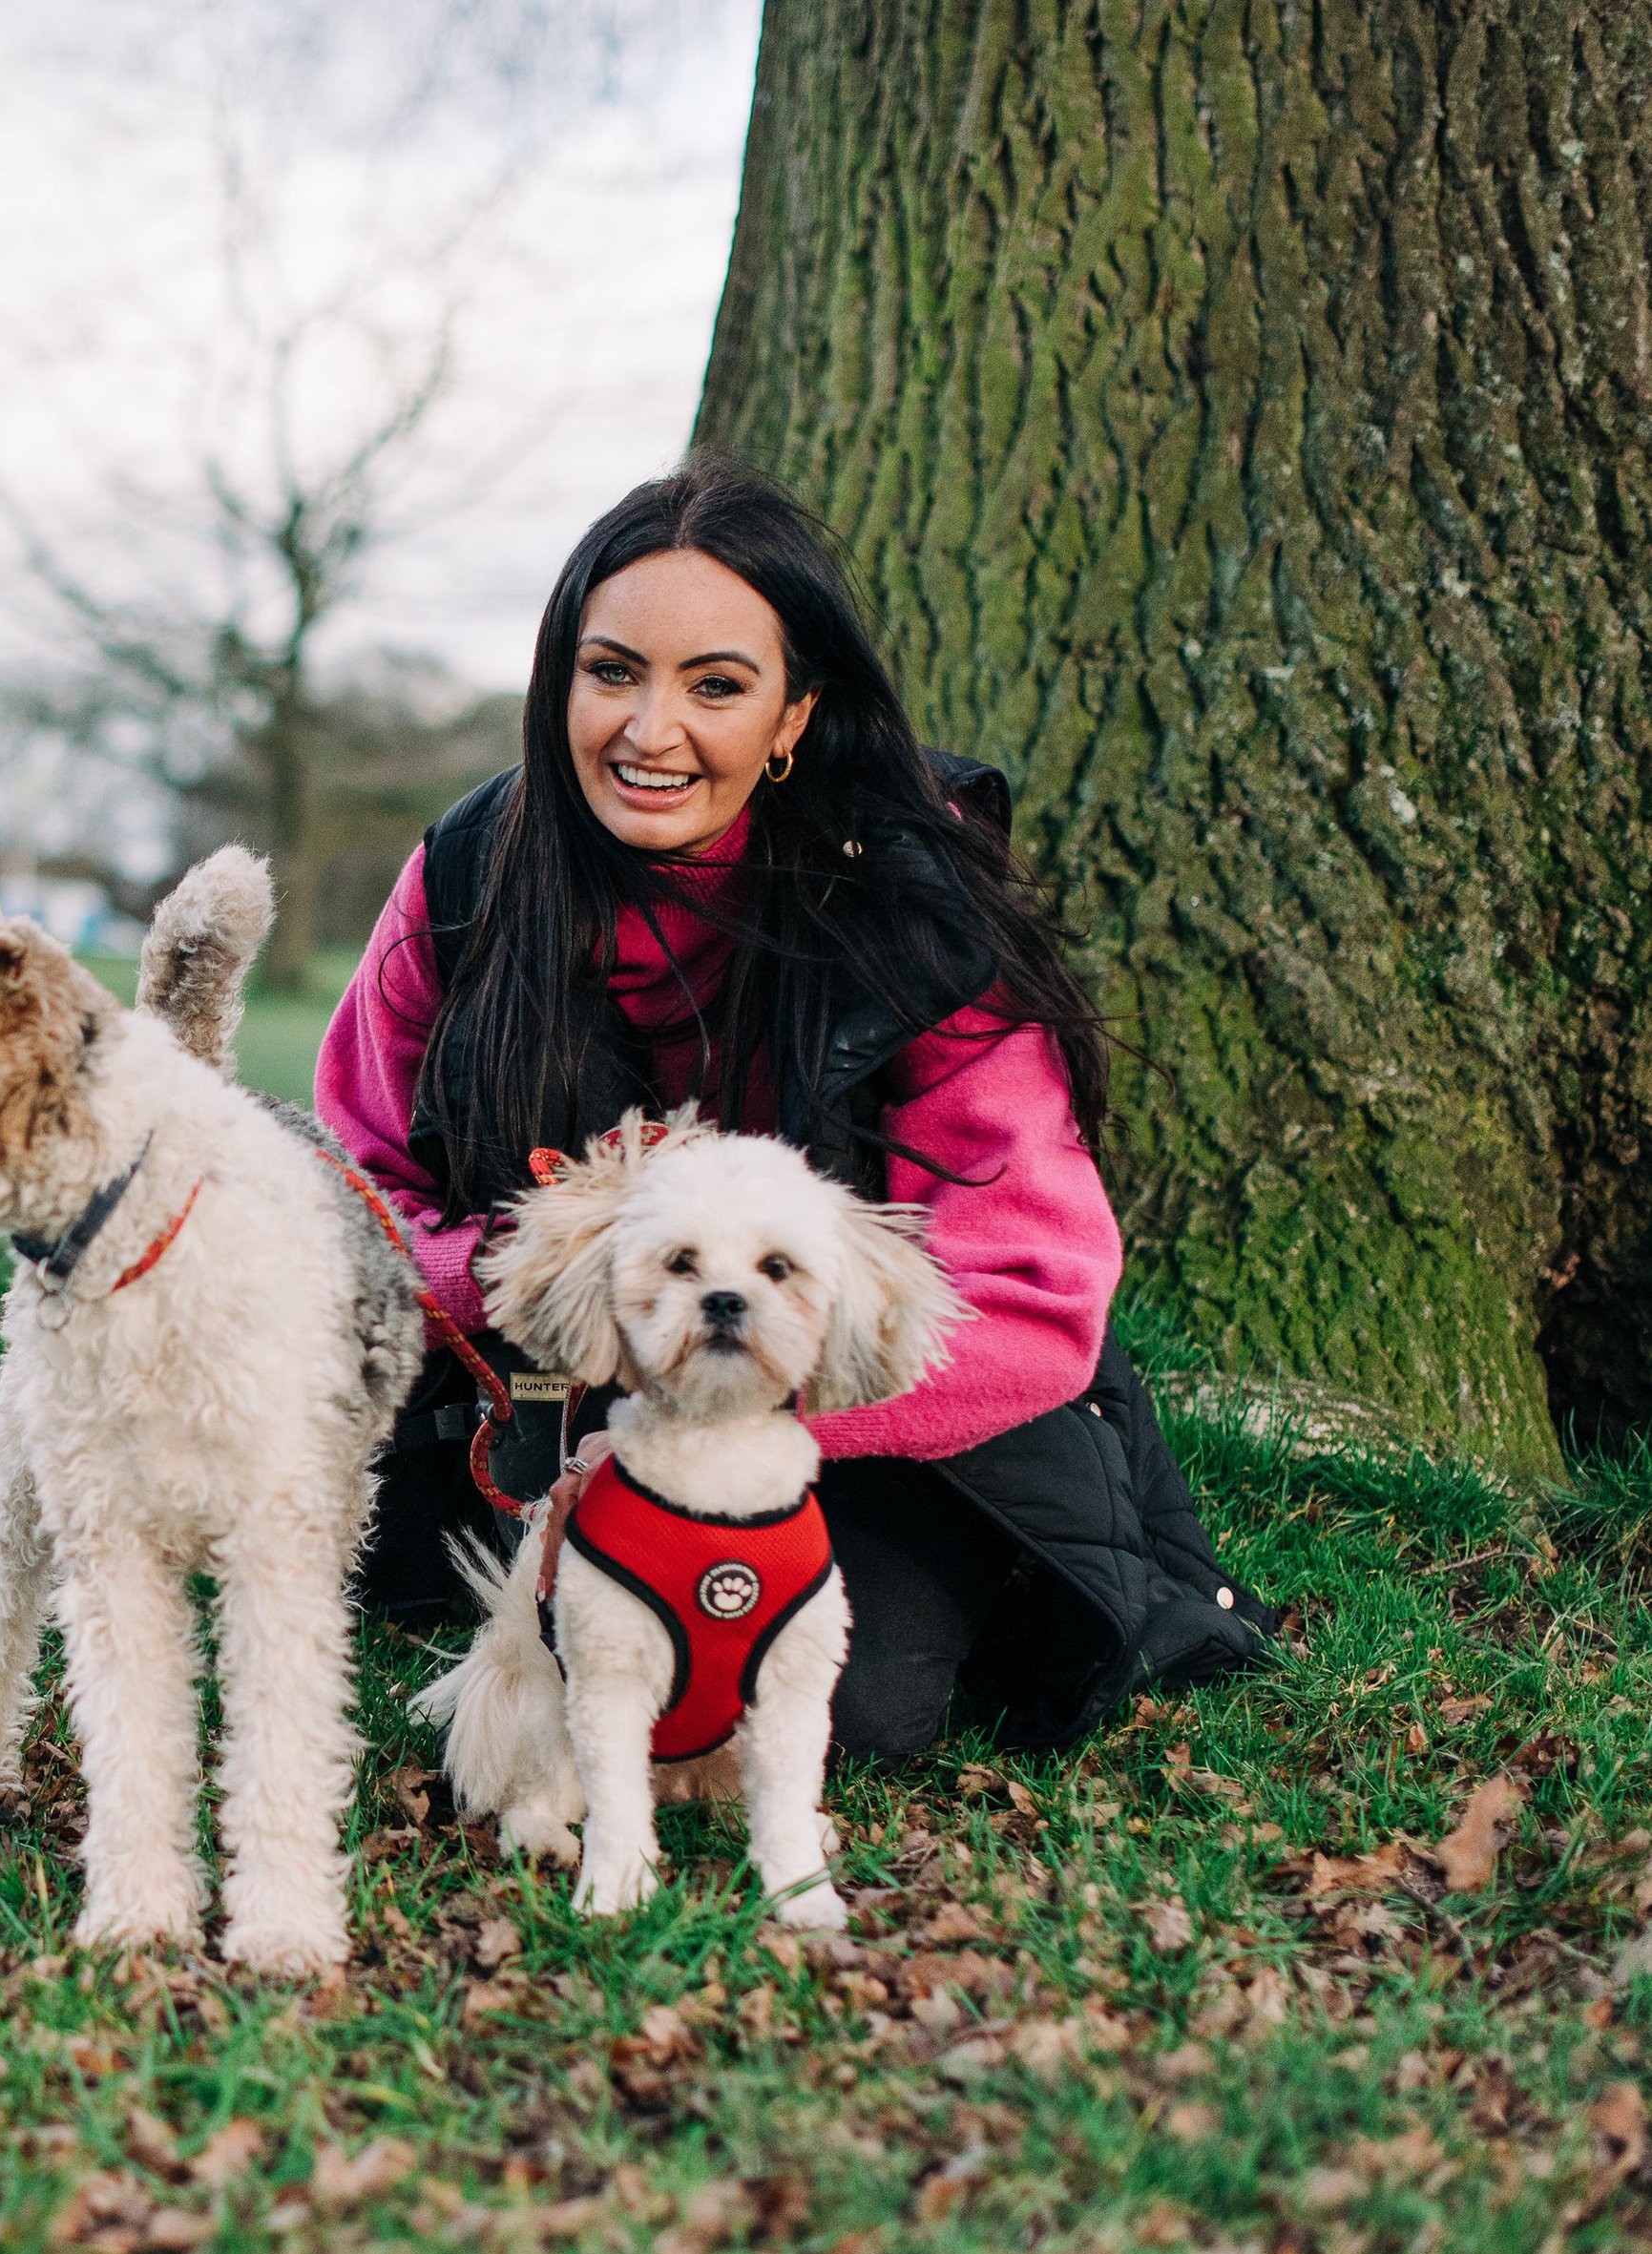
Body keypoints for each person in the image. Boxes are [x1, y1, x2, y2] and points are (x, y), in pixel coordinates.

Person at [314, 455, 1271, 1759]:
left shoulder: (912, 903)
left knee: (824, 1708)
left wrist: (738, 1397)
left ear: (794, 718)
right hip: (561, 1391)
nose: (651, 732)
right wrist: (533, 1295)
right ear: (558, 684)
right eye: (611, 673)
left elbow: (1034, 1290)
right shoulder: (467, 873)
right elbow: (355, 1189)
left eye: (716, 685)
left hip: (861, 1426)